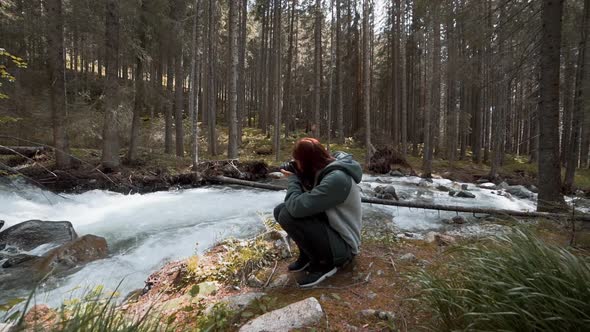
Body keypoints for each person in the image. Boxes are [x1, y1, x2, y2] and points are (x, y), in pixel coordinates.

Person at [273, 137, 362, 288]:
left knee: (288, 214)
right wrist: (299, 172)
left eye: (298, 161)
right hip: (331, 230)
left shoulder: (337, 178)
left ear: (309, 162)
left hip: (344, 246)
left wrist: (294, 179)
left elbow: (296, 207)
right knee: (280, 210)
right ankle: (309, 256)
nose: (296, 164)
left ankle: (326, 264)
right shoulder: (323, 167)